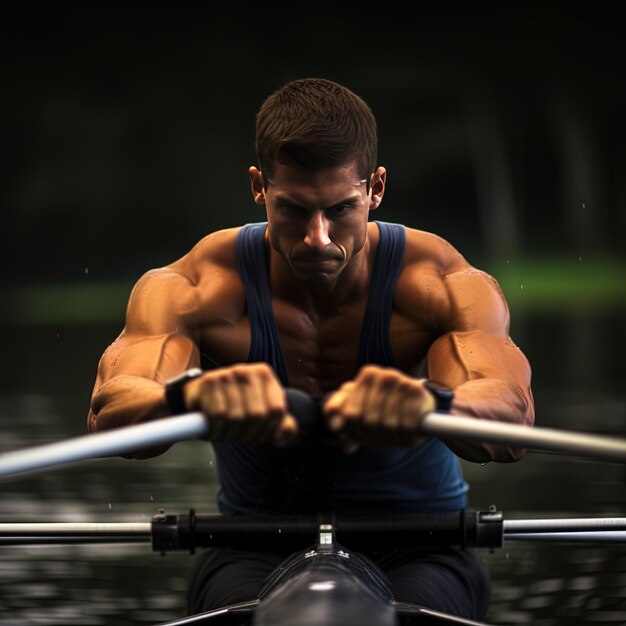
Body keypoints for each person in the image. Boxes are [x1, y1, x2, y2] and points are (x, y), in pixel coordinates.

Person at [87, 77, 534, 623]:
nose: (317, 238)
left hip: (424, 542)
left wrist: (432, 407)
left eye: (341, 209)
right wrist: (191, 398)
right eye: (294, 210)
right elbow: (109, 413)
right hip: (252, 544)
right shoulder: (194, 285)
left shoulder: (439, 282)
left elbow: (511, 418)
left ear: (376, 188)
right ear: (259, 187)